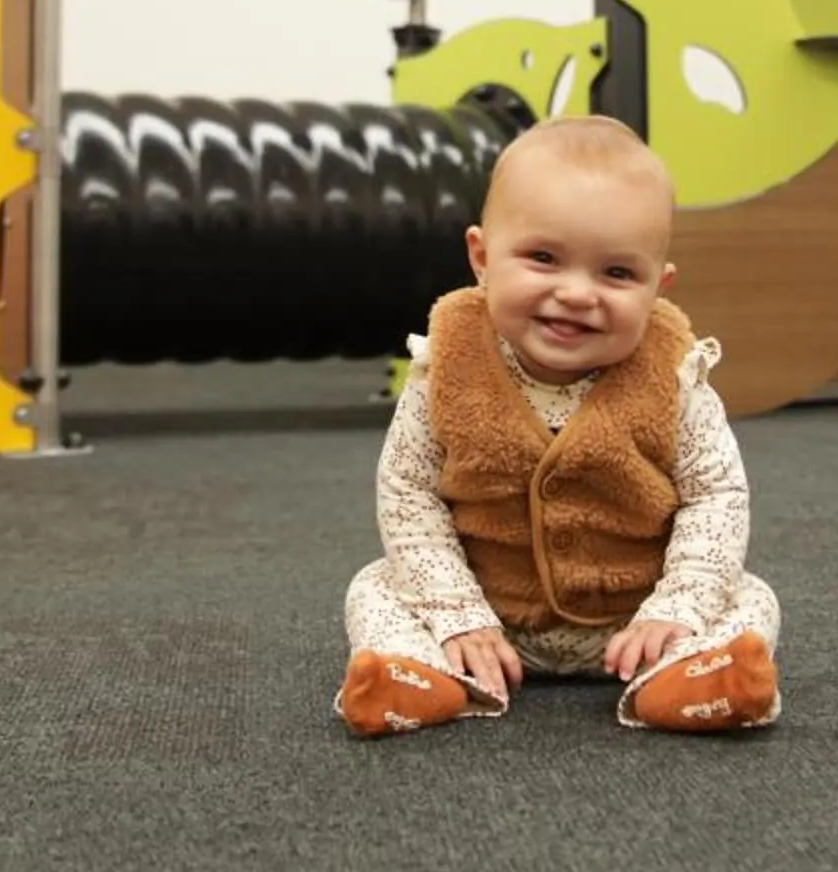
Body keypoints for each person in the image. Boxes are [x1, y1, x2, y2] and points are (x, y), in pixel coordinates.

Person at [332, 114, 781, 737]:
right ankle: (422, 676)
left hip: (633, 623)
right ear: (482, 259)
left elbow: (716, 496)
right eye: (543, 258)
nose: (576, 293)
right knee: (375, 587)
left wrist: (676, 607)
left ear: (658, 286)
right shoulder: (446, 364)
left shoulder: (674, 376)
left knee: (749, 596)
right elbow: (409, 492)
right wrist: (458, 613)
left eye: (617, 274)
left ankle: (683, 679)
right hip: (490, 618)